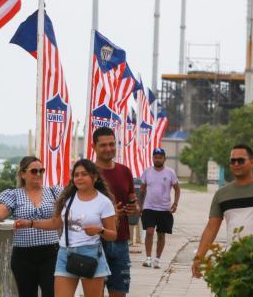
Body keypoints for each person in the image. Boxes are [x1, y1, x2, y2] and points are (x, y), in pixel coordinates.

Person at [15, 159, 117, 297]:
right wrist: (31, 223)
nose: (79, 178)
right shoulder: (68, 198)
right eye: (76, 175)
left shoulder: (103, 202)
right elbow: (55, 223)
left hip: (91, 253)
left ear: (94, 177)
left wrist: (100, 230)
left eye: (84, 174)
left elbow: (112, 235)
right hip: (65, 253)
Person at [191, 144, 253, 278]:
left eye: (241, 160)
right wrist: (199, 257)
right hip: (233, 260)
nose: (236, 164)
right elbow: (211, 228)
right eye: (233, 161)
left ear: (252, 162)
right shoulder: (221, 194)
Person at [0, 156, 62, 297]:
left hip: (51, 253)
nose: (39, 174)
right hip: (24, 255)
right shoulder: (14, 195)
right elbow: (1, 211)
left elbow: (73, 205)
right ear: (22, 174)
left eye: (41, 170)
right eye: (34, 171)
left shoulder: (53, 192)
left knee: (52, 293)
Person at [91, 127, 139, 297]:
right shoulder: (87, 173)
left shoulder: (125, 171)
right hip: (94, 243)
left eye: (112, 144)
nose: (109, 148)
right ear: (94, 147)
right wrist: (112, 215)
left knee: (119, 293)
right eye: (103, 145)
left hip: (121, 242)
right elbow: (77, 209)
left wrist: (134, 209)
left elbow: (134, 203)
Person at [139, 148, 180, 269]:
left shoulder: (170, 173)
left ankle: (157, 259)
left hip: (164, 209)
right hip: (149, 207)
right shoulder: (147, 172)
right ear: (152, 158)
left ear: (164, 159)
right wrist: (139, 205)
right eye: (155, 157)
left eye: (160, 157)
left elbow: (177, 189)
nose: (157, 159)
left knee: (161, 235)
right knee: (149, 232)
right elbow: (142, 189)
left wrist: (175, 203)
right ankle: (148, 258)